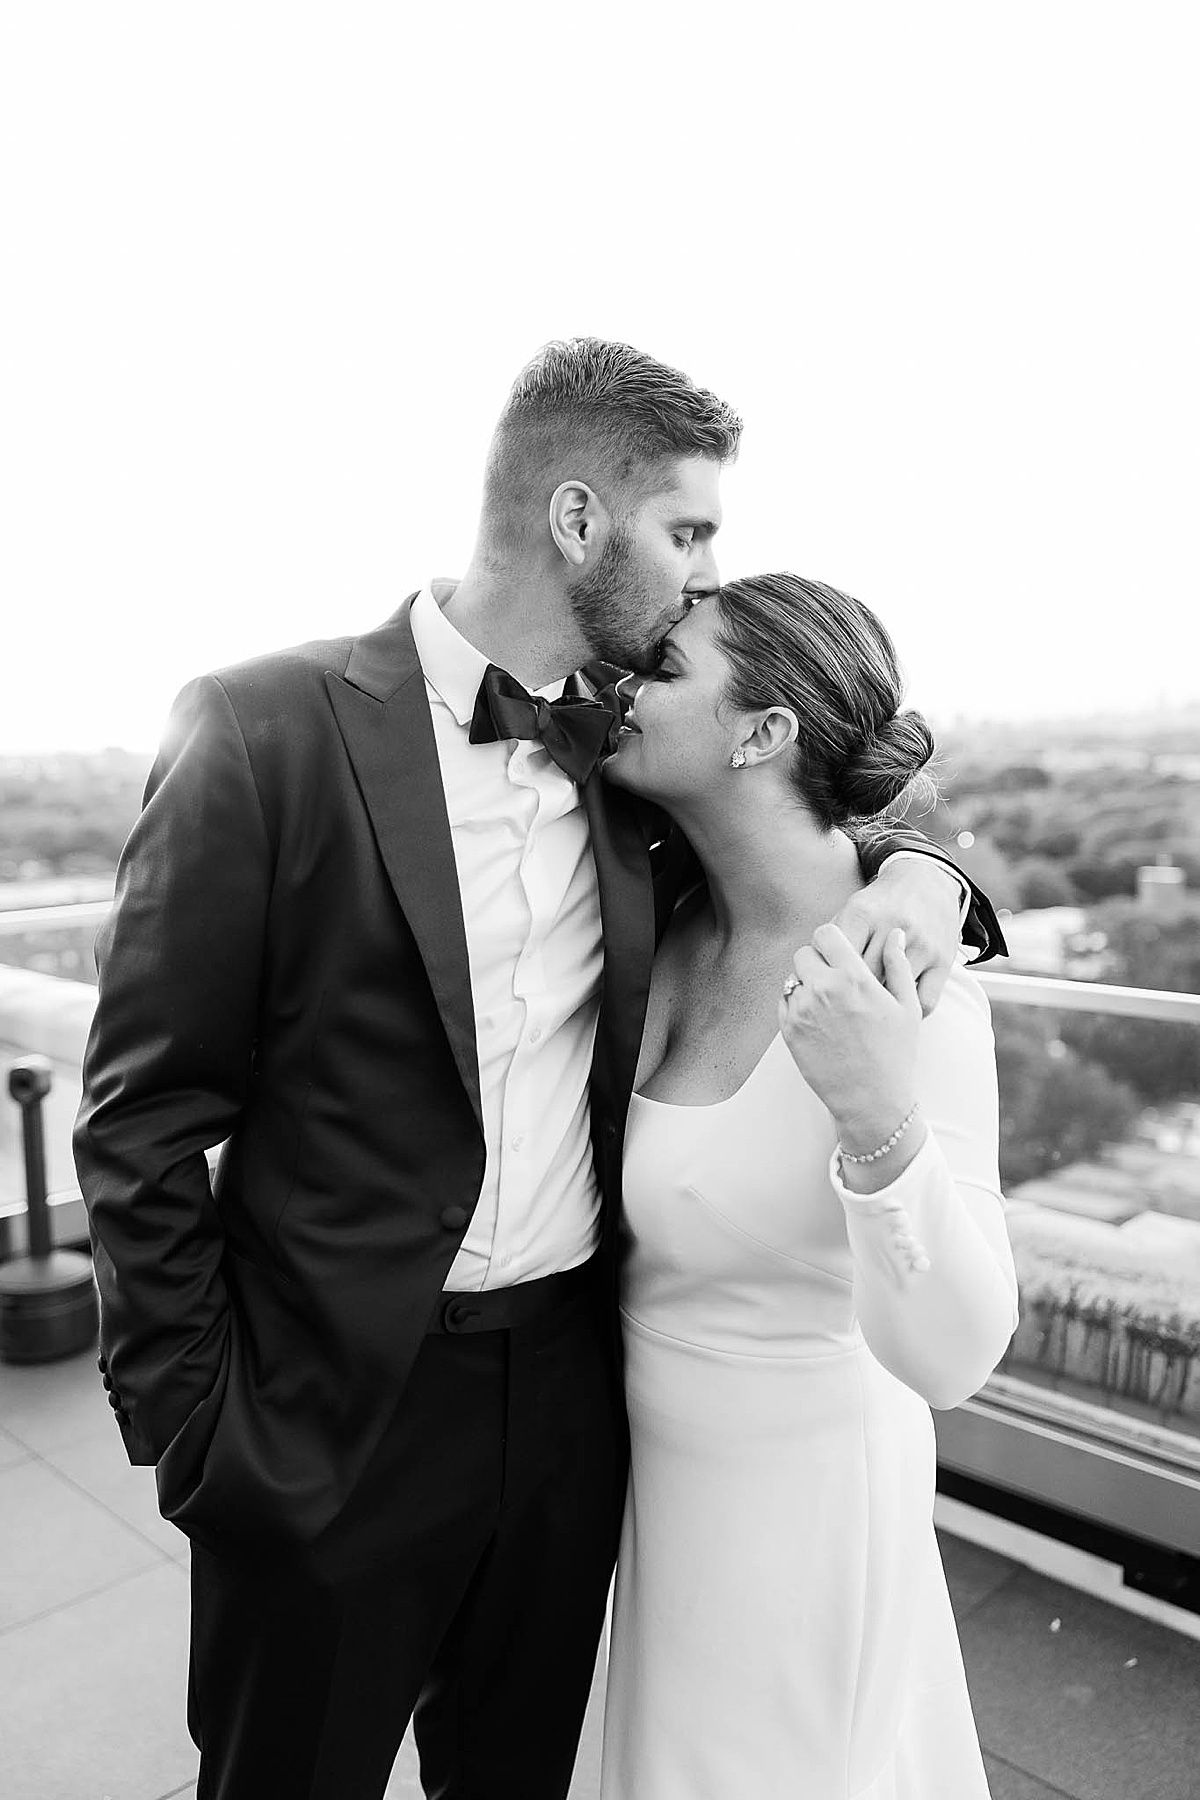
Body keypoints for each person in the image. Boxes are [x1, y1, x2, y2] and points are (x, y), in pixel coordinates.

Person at [74, 341, 1004, 1800]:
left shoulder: (627, 769)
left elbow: (801, 833)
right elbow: (141, 1116)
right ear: (579, 521)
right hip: (327, 1419)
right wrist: (193, 1427)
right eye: (688, 533)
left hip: (577, 1415)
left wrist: (927, 881)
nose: (706, 579)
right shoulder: (265, 728)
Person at [597, 571, 1019, 1800]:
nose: (628, 688)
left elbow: (958, 1358)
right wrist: (928, 861)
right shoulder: (653, 907)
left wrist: (877, 1114)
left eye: (665, 671)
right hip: (633, 1493)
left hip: (799, 1511)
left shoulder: (904, 989)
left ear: (763, 732)